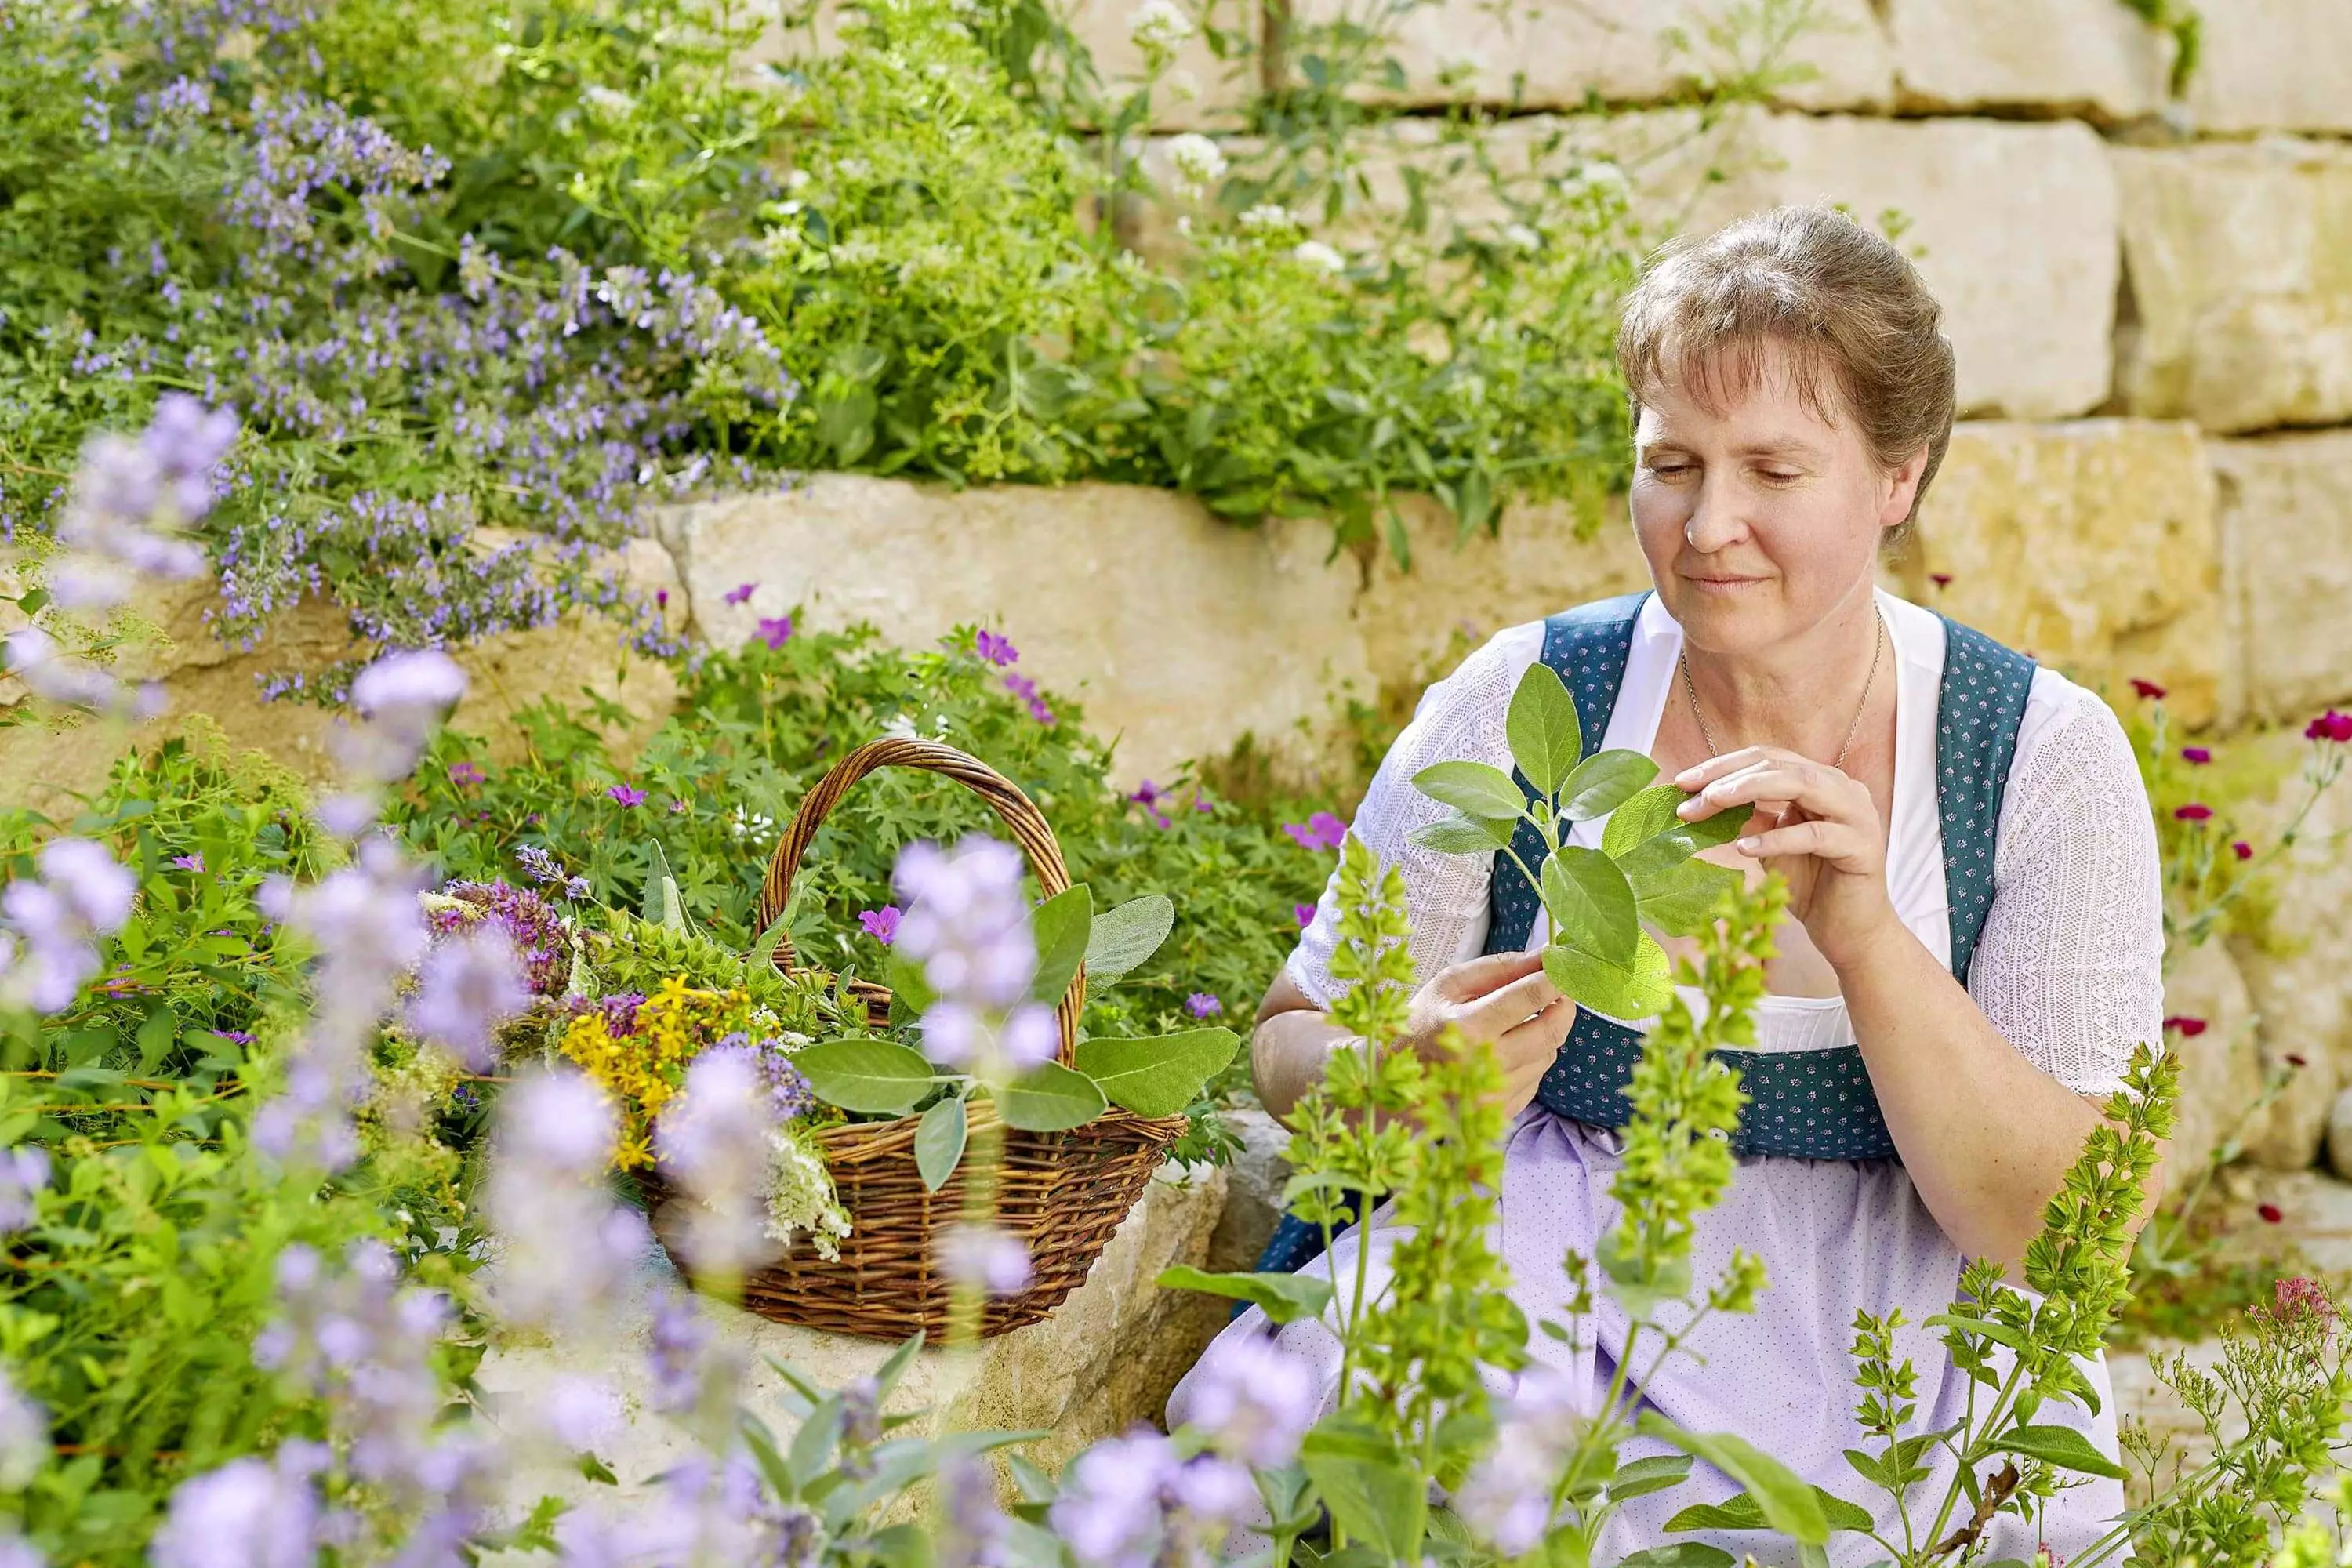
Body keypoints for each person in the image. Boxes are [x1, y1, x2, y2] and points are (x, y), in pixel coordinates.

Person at [1164, 204, 2167, 1566]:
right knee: (1329, 1433)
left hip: (1904, 1337)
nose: (1709, 525)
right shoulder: (1529, 697)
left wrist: (1869, 940)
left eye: (1774, 470)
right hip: (1543, 1275)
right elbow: (1292, 1034)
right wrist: (1397, 1072)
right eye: (1671, 464)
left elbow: (2060, 1237)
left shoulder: (2034, 754)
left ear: (1900, 477)